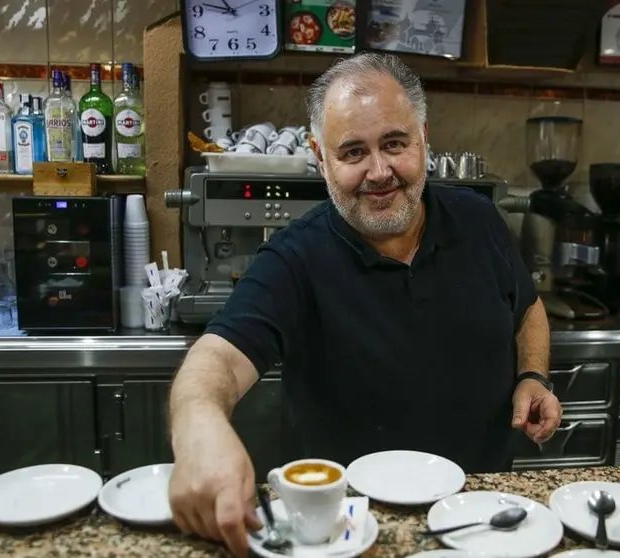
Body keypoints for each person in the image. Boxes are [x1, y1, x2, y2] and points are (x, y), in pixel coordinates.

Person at [167, 52, 562, 557]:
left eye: (395, 144)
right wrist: (199, 429)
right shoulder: (295, 258)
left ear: (423, 136)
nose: (380, 171)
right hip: (348, 530)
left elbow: (527, 308)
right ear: (320, 157)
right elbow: (217, 358)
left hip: (480, 512)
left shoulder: (480, 220)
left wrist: (534, 375)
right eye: (353, 152)